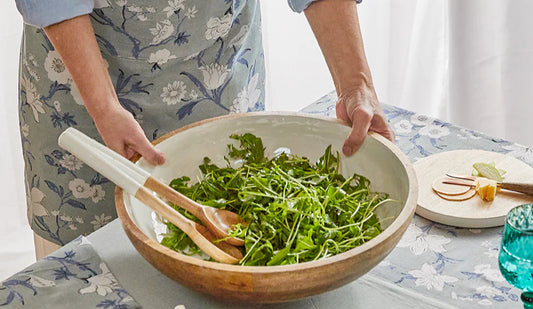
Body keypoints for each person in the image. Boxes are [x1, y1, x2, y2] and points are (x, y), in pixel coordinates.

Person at [15, 0, 394, 258]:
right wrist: (104, 107)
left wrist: (355, 84)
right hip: (86, 88)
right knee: (89, 304)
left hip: (219, 78)